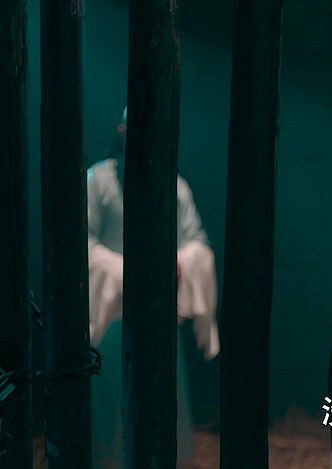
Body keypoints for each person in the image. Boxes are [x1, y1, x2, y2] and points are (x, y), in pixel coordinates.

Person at [86, 106, 219, 468]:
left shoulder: (175, 186)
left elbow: (196, 241)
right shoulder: (98, 181)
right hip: (112, 316)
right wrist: (127, 272)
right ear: (122, 132)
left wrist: (176, 263)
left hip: (159, 313)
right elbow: (82, 240)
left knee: (162, 395)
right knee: (114, 405)